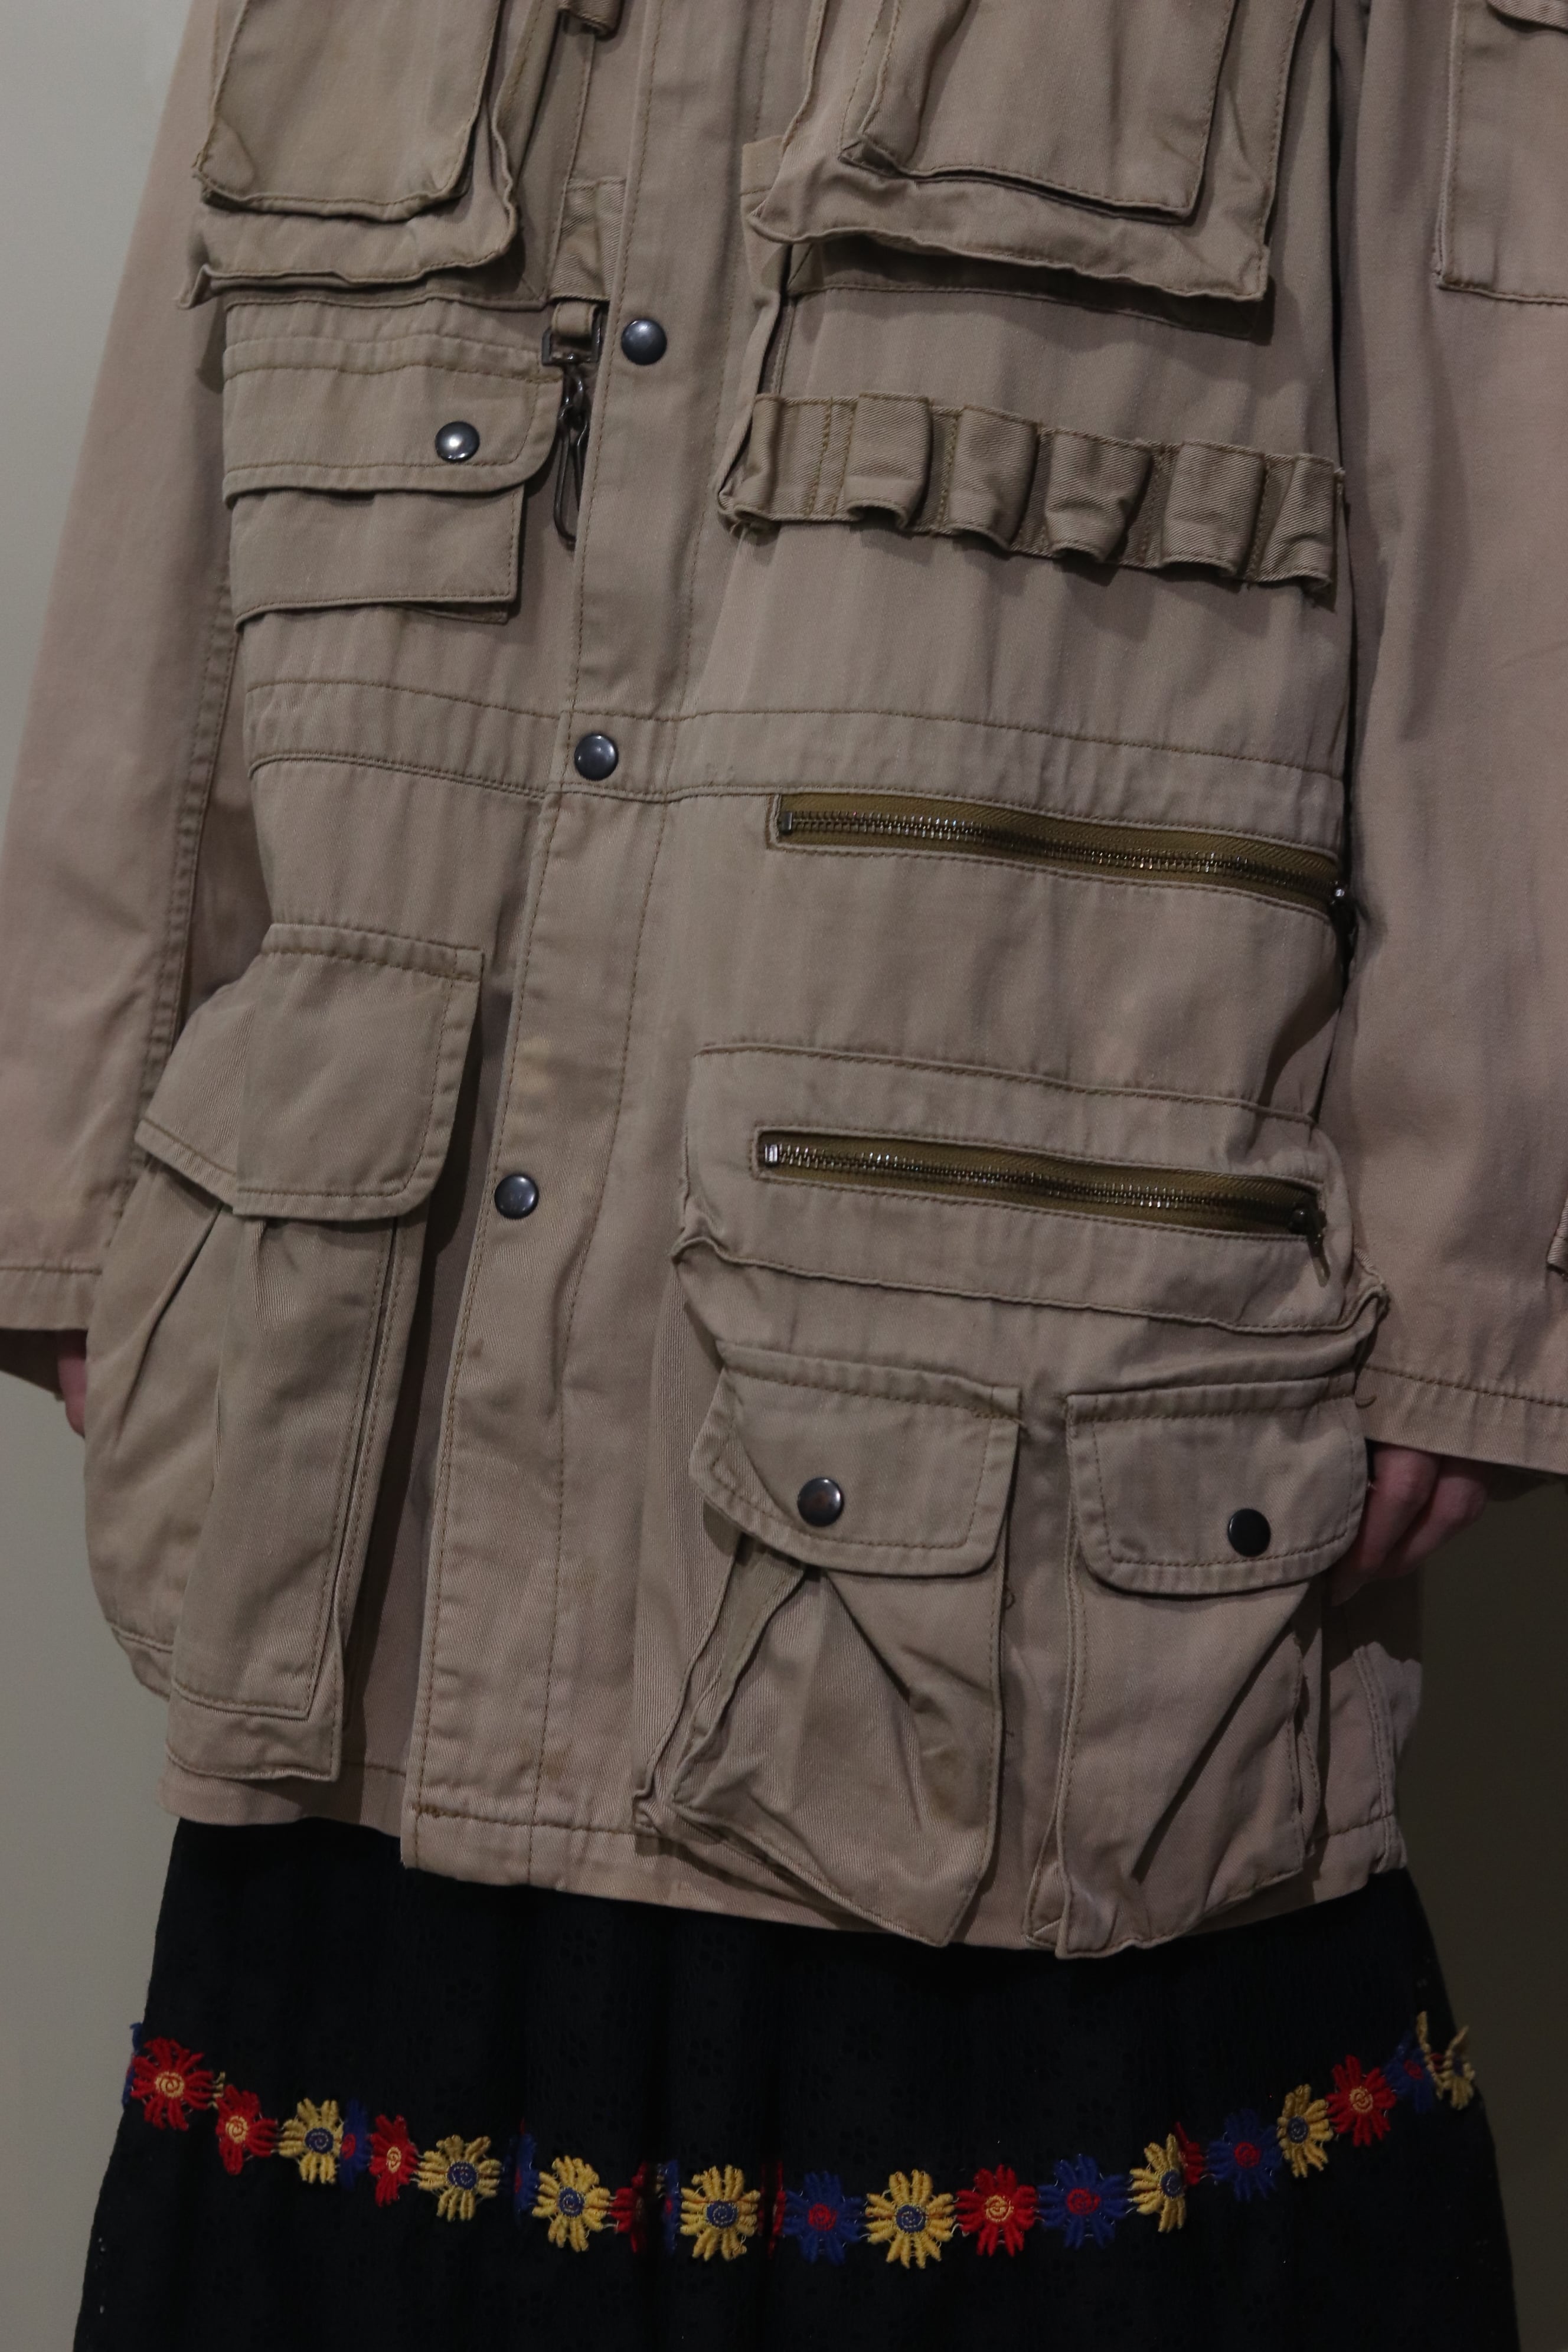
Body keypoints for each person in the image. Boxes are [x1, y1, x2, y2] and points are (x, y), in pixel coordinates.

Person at [0, 1, 1548, 2343]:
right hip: (387, 1424)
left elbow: (1505, 447)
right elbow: (174, 494)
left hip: (1014, 1471)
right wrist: (65, 1159)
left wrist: (1483, 1243)